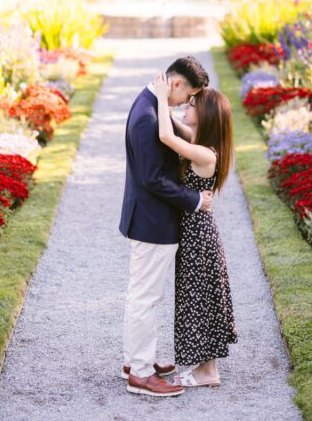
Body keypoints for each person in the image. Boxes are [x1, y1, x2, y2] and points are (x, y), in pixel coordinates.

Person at [120, 57, 213, 398]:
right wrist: (194, 200)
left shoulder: (149, 104)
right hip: (152, 221)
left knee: (142, 294)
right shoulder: (147, 116)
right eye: (189, 95)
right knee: (145, 297)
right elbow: (152, 178)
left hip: (149, 218)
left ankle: (135, 361)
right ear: (175, 84)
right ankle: (141, 375)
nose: (188, 103)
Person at [152, 74, 237, 389]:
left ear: (206, 114)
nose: (186, 105)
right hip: (196, 232)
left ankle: (208, 372)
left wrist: (161, 96)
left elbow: (166, 135)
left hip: (198, 236)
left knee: (200, 299)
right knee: (200, 299)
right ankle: (206, 368)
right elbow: (174, 126)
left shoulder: (205, 154)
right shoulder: (200, 142)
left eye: (193, 103)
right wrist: (167, 96)